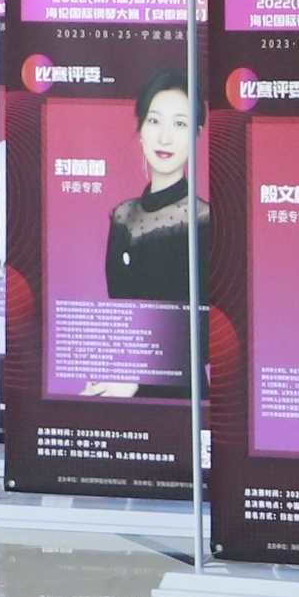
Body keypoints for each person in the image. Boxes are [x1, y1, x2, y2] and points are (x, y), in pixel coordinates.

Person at [96, 67, 205, 398]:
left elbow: (210, 333)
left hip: (178, 394)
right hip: (123, 386)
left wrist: (140, 378)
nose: (165, 138)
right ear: (141, 128)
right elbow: (120, 313)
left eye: (180, 124)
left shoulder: (203, 221)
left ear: (197, 133)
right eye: (155, 121)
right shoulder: (122, 216)